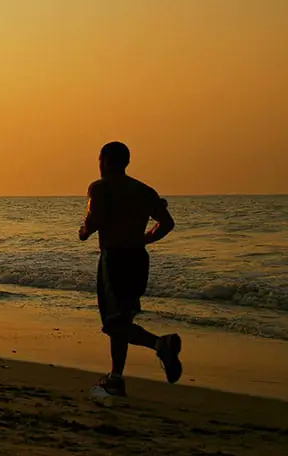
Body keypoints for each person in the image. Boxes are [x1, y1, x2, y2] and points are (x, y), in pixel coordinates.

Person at [78, 141, 181, 397]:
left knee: (114, 323)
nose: (98, 164)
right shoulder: (145, 191)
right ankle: (116, 377)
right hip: (138, 259)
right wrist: (144, 238)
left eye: (100, 159)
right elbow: (166, 223)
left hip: (114, 259)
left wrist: (84, 231)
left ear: (107, 161)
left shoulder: (100, 188)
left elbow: (93, 222)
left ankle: (160, 344)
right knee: (121, 318)